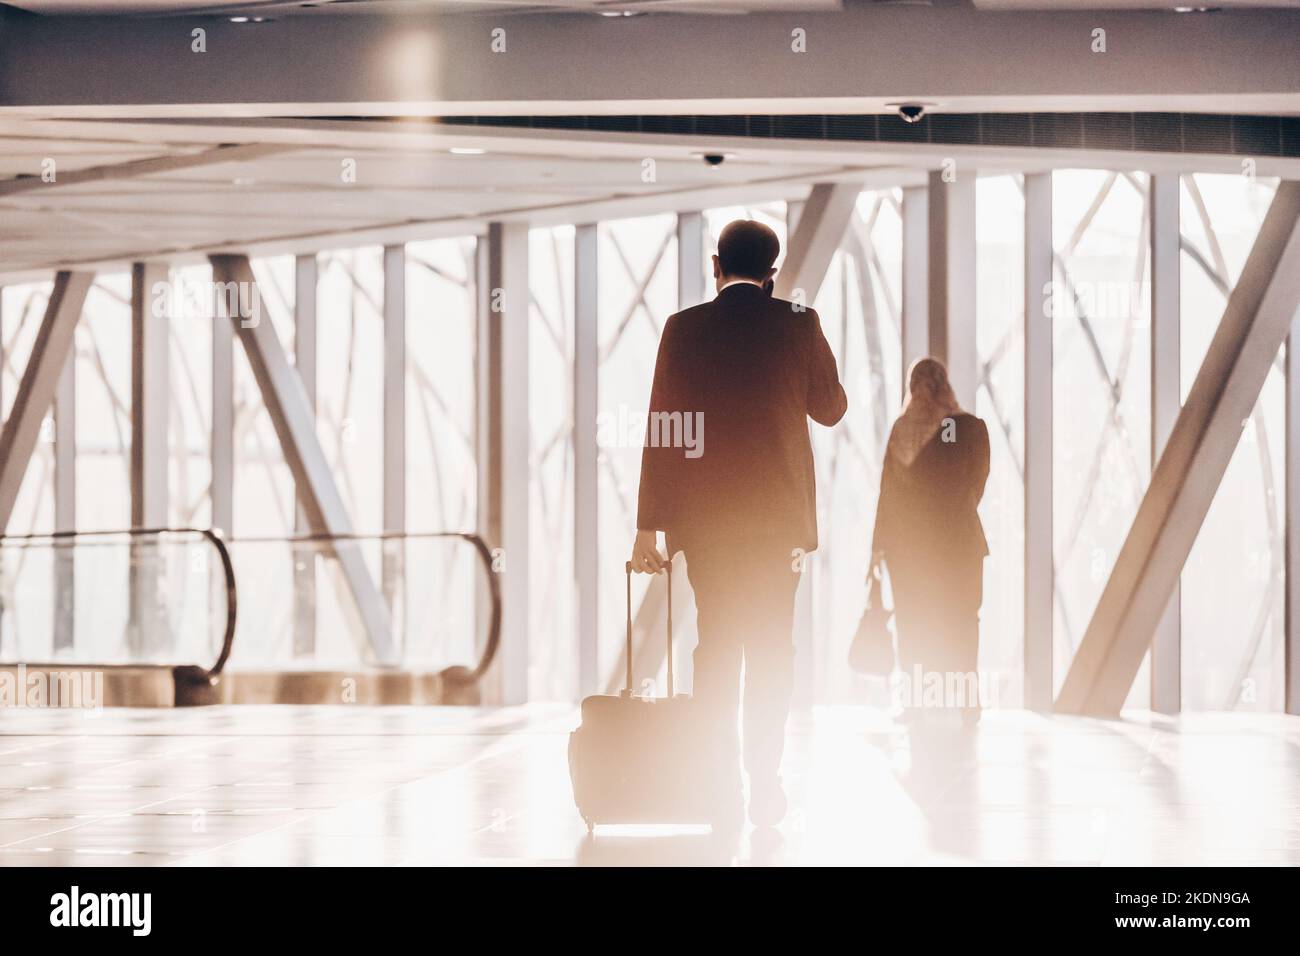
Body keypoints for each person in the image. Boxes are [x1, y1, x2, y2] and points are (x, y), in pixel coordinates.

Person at [631, 219, 847, 828]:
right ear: (773, 276)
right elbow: (831, 409)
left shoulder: (683, 329)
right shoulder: (798, 325)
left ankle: (719, 782)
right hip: (779, 530)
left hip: (707, 527)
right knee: (772, 652)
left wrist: (648, 526)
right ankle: (764, 781)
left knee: (718, 649)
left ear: (716, 266)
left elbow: (662, 429)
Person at [870, 357, 990, 725]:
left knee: (912, 621)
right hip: (960, 545)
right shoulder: (970, 429)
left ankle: (918, 703)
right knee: (964, 619)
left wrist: (877, 548)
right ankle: (967, 702)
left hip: (909, 551)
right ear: (945, 385)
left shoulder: (901, 431)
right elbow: (977, 484)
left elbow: (887, 494)